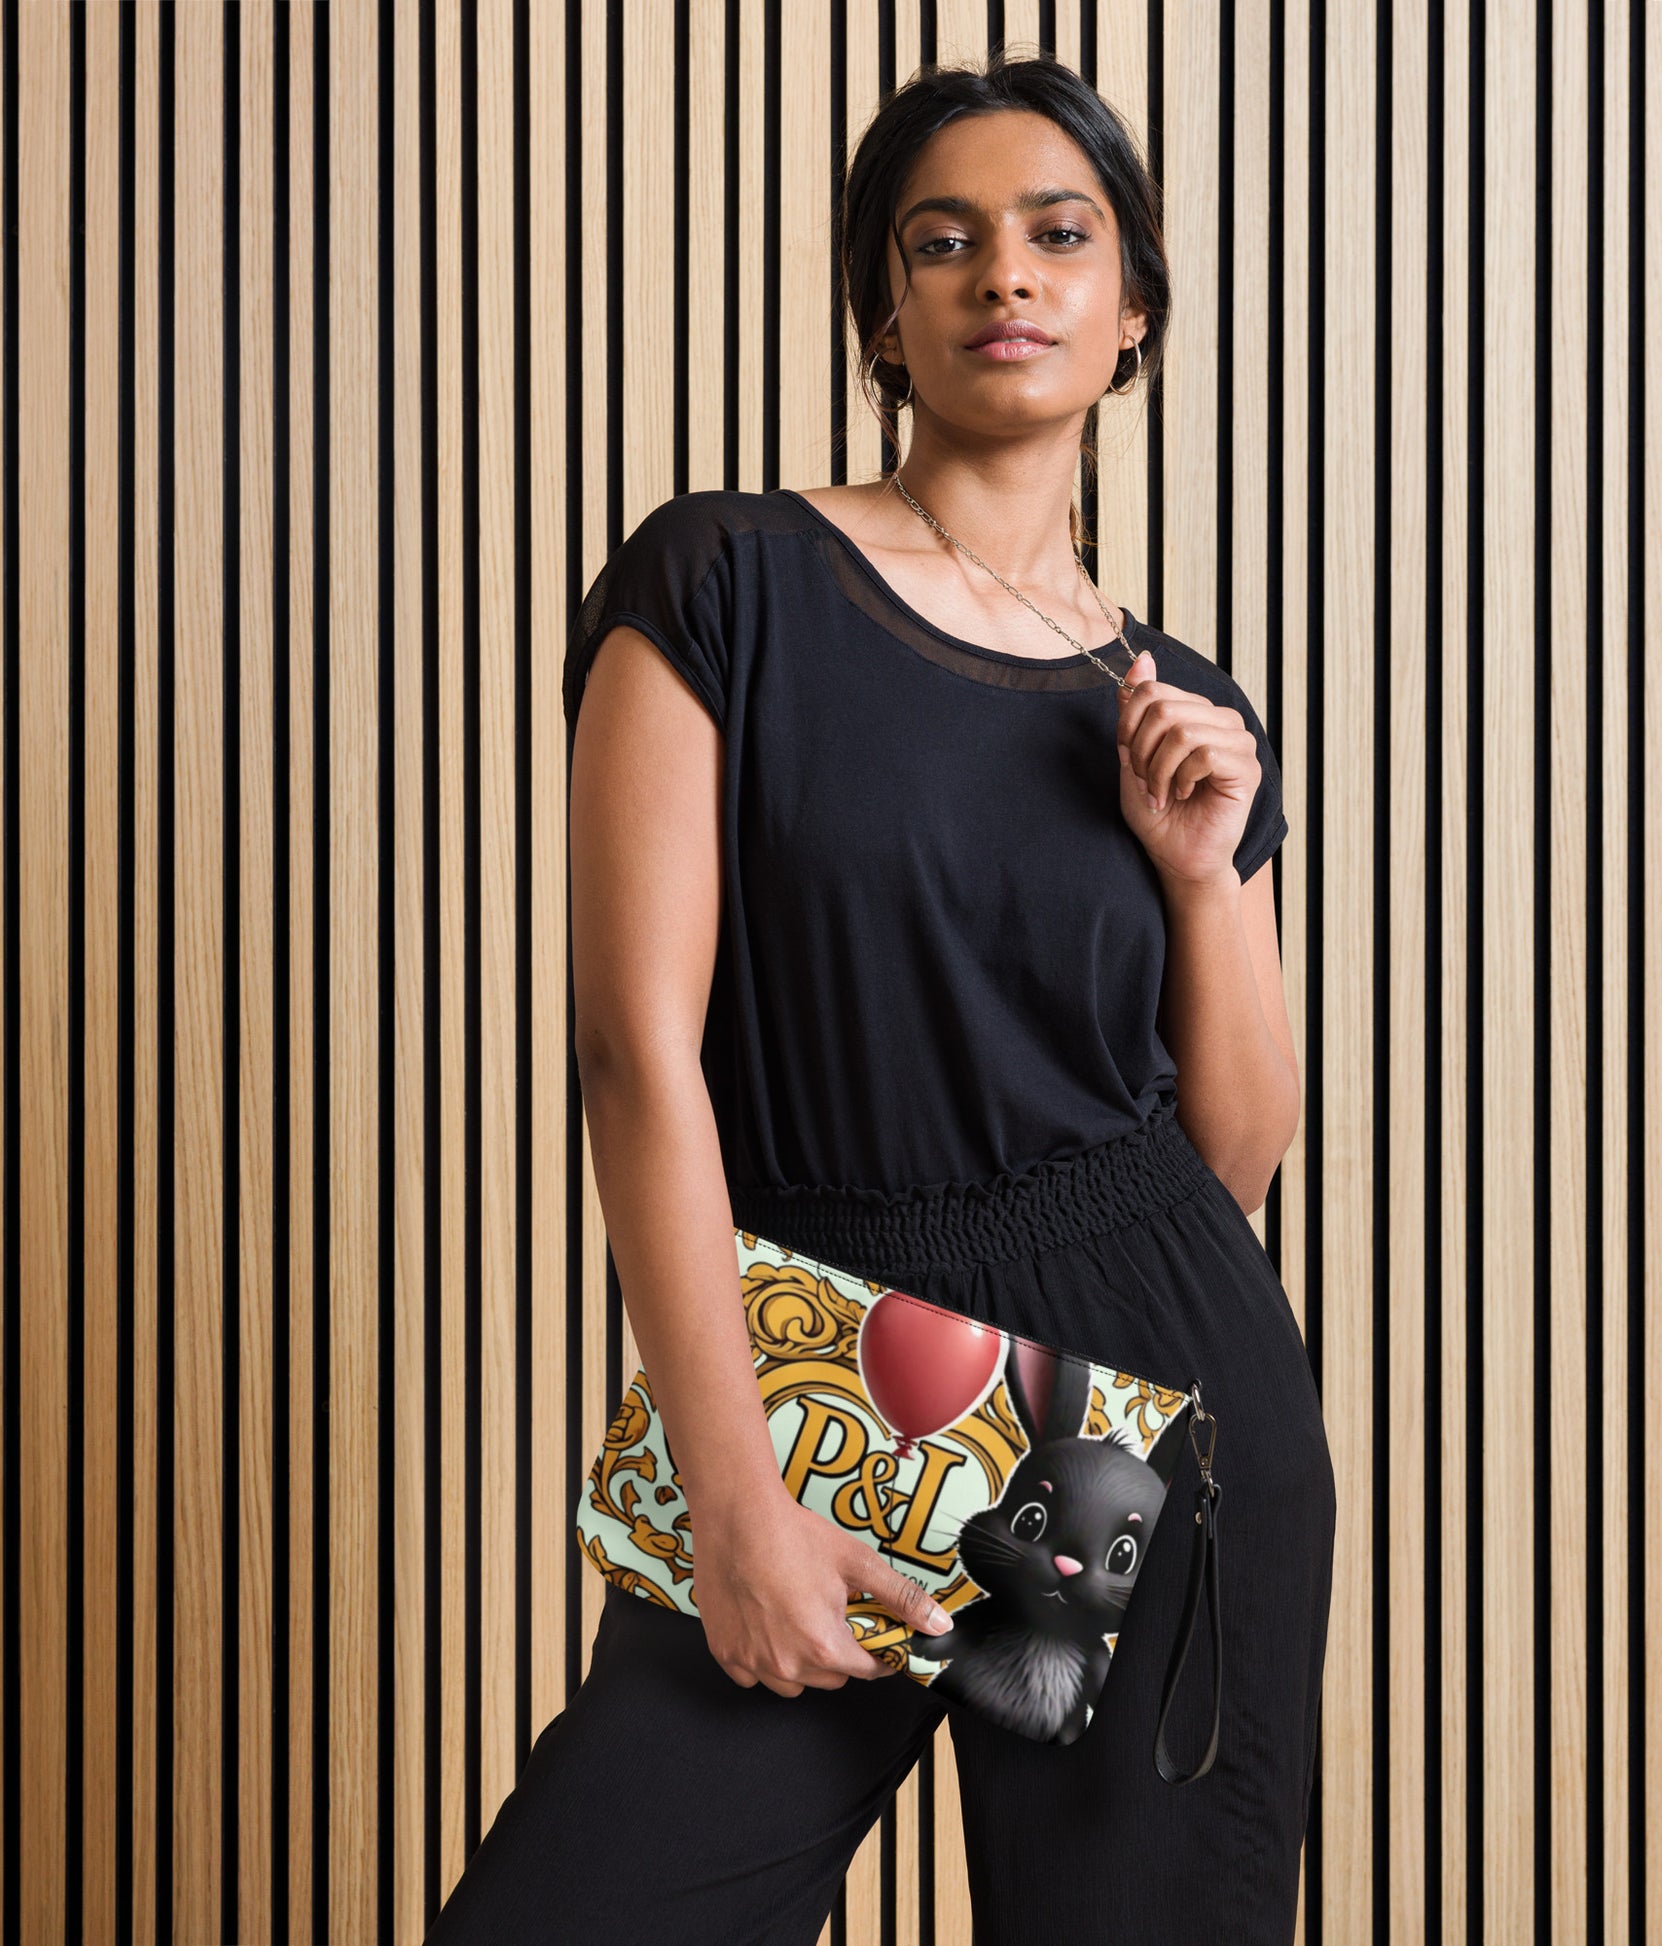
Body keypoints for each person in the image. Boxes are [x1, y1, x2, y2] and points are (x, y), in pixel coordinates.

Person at [427, 48, 1334, 1946]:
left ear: (1131, 308)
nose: (1005, 273)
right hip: (821, 1371)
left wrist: (1200, 868)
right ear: (884, 314)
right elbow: (633, 1055)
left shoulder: (1182, 706)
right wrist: (731, 1495)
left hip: (1146, 1388)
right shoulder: (727, 580)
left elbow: (1234, 1156)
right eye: (944, 240)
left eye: (1059, 235)